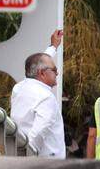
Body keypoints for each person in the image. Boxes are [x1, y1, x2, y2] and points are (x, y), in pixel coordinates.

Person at [10, 30, 65, 158]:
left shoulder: (19, 88)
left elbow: (37, 64)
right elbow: (39, 131)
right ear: (42, 73)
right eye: (54, 70)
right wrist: (29, 155)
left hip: (20, 153)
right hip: (44, 162)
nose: (57, 73)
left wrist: (53, 47)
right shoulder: (46, 98)